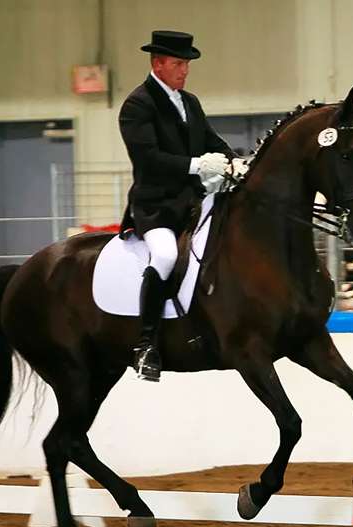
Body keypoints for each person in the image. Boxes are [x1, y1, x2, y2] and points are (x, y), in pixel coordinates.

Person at [118, 30, 247, 382]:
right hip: (156, 206)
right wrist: (196, 165)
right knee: (164, 257)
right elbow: (148, 159)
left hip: (192, 201)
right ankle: (145, 344)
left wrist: (236, 162)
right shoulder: (137, 105)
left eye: (186, 64)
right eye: (178, 63)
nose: (184, 70)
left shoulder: (189, 101)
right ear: (157, 63)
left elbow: (210, 139)